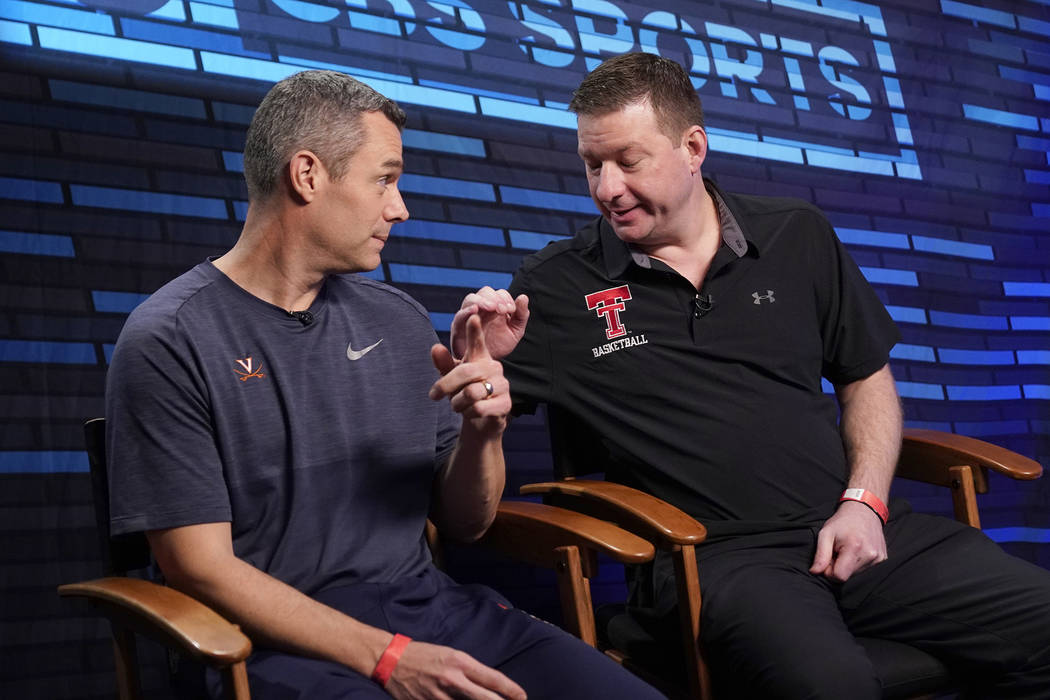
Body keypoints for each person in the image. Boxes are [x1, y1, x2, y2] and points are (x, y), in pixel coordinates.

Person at [452, 53, 1050, 698]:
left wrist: (865, 502)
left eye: (628, 161)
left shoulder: (796, 234)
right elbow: (466, 459)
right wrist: (483, 376)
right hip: (714, 561)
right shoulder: (554, 287)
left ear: (693, 148)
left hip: (853, 527)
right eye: (592, 164)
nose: (606, 188)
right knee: (831, 686)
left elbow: (865, 377)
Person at [105, 69, 667, 700]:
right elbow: (198, 568)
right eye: (385, 179)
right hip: (271, 647)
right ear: (308, 174)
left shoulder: (396, 319)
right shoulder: (169, 337)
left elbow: (465, 525)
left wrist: (484, 428)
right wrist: (390, 658)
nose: (400, 206)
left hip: (432, 612)